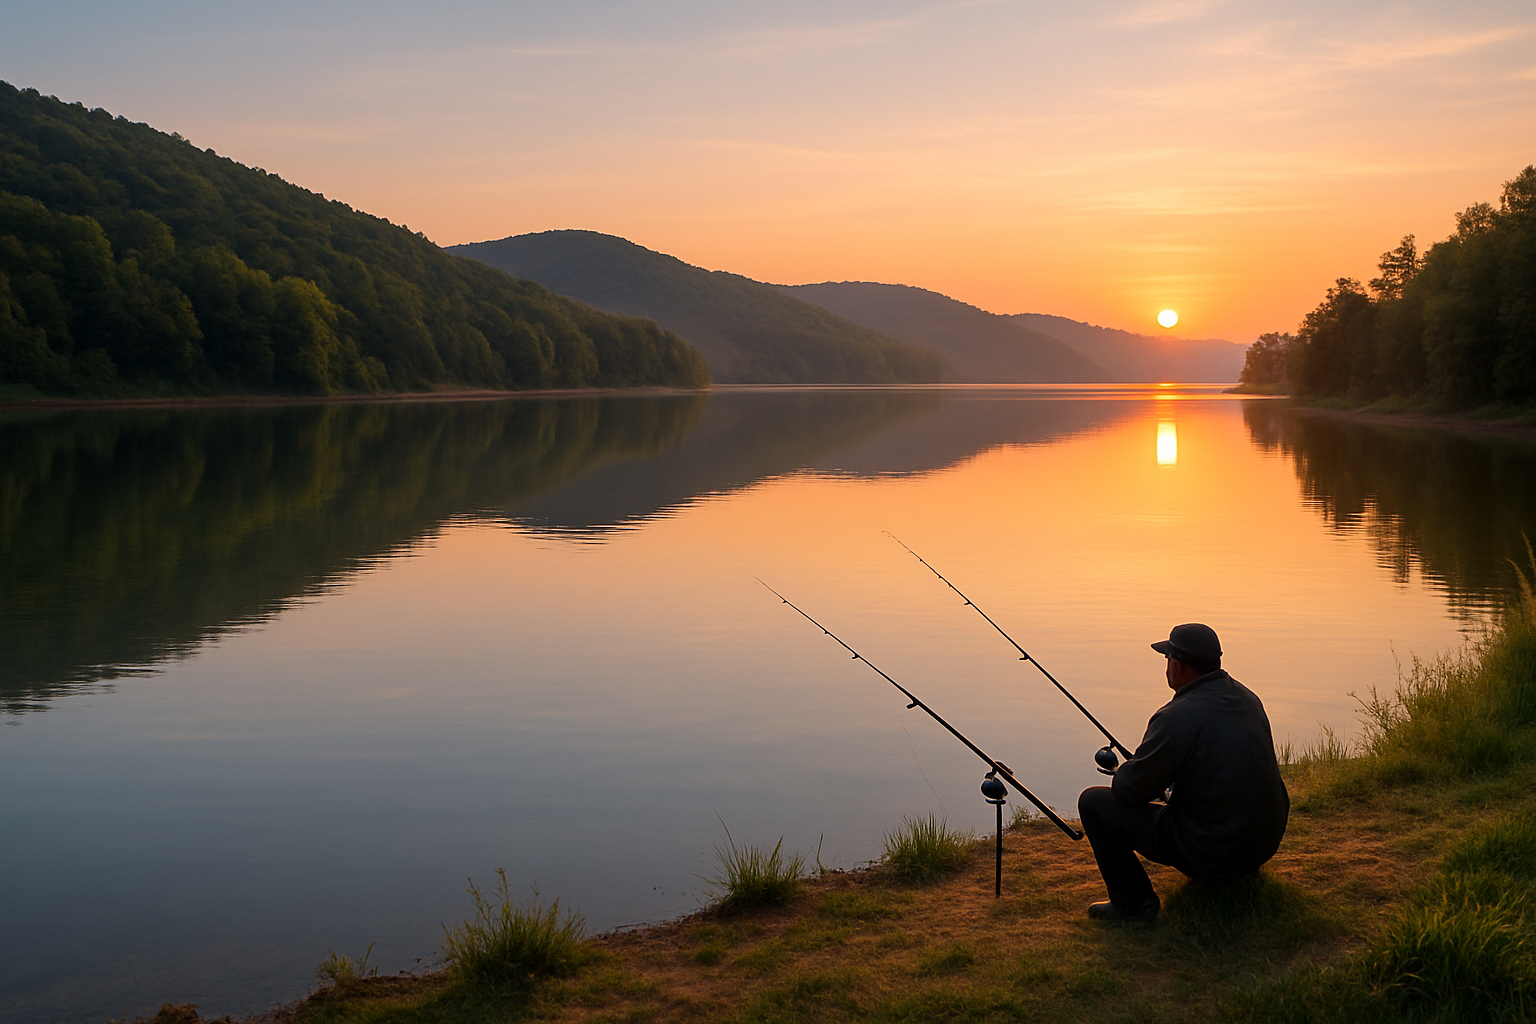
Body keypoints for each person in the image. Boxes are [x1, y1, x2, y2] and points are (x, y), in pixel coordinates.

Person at [1076, 623, 1289, 922]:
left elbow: (1129, 791)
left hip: (1213, 851)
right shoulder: (1248, 698)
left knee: (1093, 803)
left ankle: (1134, 906)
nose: (1166, 666)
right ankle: (1236, 867)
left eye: (1166, 659)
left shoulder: (1175, 717)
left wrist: (1129, 768)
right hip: (1263, 843)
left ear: (1177, 664)